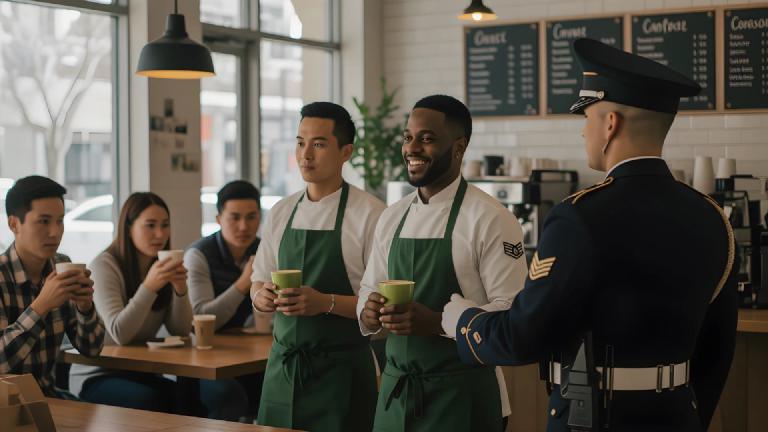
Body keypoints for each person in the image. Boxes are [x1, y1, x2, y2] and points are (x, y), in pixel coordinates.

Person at [444, 38, 738, 432]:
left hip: (594, 418)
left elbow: (524, 336)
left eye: (587, 118)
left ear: (610, 124)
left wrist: (464, 322)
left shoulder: (577, 217)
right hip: (677, 417)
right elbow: (717, 350)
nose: (584, 131)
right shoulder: (712, 217)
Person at [357, 95, 527, 431]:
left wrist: (437, 322)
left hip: (462, 396)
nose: (412, 148)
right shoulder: (392, 217)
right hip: (396, 395)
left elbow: (512, 315)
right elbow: (368, 286)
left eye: (427, 138)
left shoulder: (491, 219)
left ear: (459, 147)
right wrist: (369, 310)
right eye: (408, 137)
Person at [251, 101, 385, 431]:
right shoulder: (281, 211)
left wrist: (324, 302)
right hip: (283, 369)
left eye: (319, 144)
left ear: (346, 151)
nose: (305, 154)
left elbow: (381, 308)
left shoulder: (371, 214)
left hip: (343, 373)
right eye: (300, 142)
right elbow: (257, 282)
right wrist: (262, 297)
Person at [69, 192, 248, 420]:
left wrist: (180, 290)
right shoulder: (105, 266)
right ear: (128, 227)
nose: (160, 234)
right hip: (97, 374)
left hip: (141, 371)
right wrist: (149, 287)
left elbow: (180, 330)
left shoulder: (160, 263)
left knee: (205, 397)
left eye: (165, 225)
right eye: (150, 225)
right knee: (155, 401)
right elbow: (119, 333)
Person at [0, 175, 105, 398]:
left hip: (48, 397)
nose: (55, 232)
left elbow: (92, 349)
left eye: (60, 221)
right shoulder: (1, 276)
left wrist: (85, 307)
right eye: (44, 221)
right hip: (6, 406)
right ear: (14, 224)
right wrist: (41, 307)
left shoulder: (61, 266)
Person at [186, 180, 262, 416]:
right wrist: (243, 283)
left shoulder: (264, 250)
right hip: (203, 359)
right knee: (228, 396)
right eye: (234, 217)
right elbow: (201, 318)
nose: (243, 226)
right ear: (219, 219)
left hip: (248, 353)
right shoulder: (198, 255)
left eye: (251, 217)